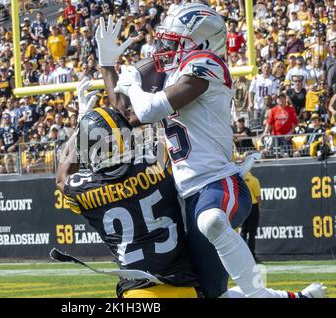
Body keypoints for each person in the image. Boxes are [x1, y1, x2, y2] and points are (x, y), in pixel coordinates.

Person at [96, 5, 325, 298]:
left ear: (201, 41)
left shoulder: (207, 64)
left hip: (218, 183)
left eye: (174, 41)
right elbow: (127, 116)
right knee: (209, 294)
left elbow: (150, 108)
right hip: (186, 196)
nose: (165, 48)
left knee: (212, 220)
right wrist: (107, 65)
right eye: (165, 40)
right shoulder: (173, 74)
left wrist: (134, 86)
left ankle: (259, 294)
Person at [56, 79, 201, 298]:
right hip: (185, 288)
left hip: (137, 293)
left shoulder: (84, 190)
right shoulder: (157, 162)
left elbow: (62, 178)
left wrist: (80, 126)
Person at [240, 171, 262, 263]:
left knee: (243, 232)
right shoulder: (254, 180)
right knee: (252, 233)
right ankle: (252, 255)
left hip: (243, 206)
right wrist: (259, 207)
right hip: (253, 207)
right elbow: (258, 197)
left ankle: (241, 255)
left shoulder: (240, 180)